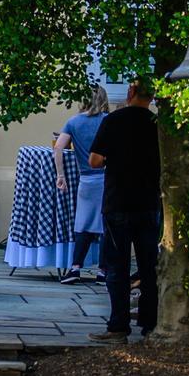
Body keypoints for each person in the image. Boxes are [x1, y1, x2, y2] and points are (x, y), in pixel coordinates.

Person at [89, 77, 162, 343]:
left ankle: (118, 325)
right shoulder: (157, 124)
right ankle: (149, 323)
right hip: (148, 203)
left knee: (116, 266)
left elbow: (95, 160)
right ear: (152, 97)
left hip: (118, 201)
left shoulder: (114, 121)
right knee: (148, 266)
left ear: (130, 92)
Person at [53, 84, 110, 284]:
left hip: (85, 180)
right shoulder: (107, 121)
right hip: (105, 177)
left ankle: (75, 267)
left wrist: (61, 175)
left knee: (83, 225)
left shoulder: (73, 122)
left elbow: (58, 147)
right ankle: (103, 271)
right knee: (105, 225)